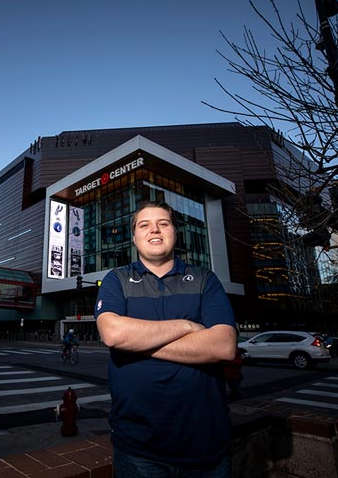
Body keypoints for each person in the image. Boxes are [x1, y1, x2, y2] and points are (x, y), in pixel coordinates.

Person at [95, 201, 237, 477]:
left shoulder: (204, 279)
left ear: (174, 232)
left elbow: (223, 345)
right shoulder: (117, 279)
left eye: (163, 223)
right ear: (134, 237)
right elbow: (113, 334)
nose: (154, 230)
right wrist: (187, 325)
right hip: (137, 448)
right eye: (144, 225)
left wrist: (135, 342)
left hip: (206, 445)